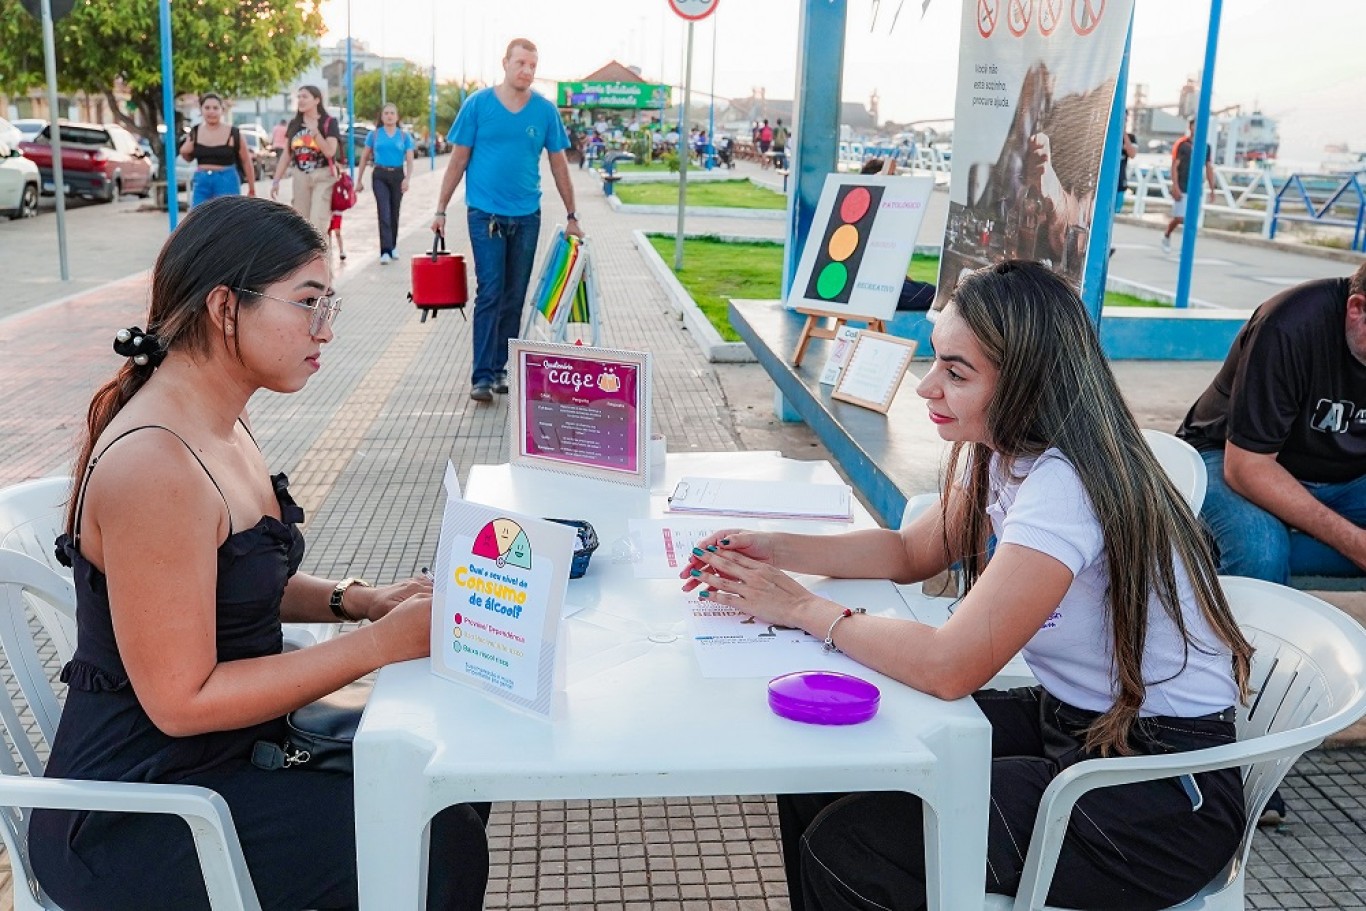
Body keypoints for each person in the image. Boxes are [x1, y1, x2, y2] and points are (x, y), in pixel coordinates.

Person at [682, 261, 1254, 911]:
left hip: (1154, 795)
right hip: (1077, 723)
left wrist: (806, 608)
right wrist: (775, 546)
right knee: (824, 761)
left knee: (850, 847)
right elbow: (909, 550)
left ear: (1029, 385)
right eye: (935, 361)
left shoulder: (1067, 484)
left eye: (956, 372)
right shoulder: (1004, 451)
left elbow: (950, 666)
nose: (926, 386)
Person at [27, 196, 490, 911]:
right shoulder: (156, 464)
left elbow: (229, 578)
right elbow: (182, 701)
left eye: (328, 302)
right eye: (308, 303)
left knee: (450, 771)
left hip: (228, 755)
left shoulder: (216, 420)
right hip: (139, 809)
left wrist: (355, 600)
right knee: (436, 836)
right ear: (224, 306)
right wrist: (377, 645)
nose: (326, 329)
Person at [1177, 263, 1366, 585]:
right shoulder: (1289, 324)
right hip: (1227, 455)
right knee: (1260, 553)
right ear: (1357, 309)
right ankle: (1237, 631)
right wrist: (1355, 543)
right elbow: (1246, 468)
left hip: (1345, 474)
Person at [431, 38, 582, 404]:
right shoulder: (478, 105)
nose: (527, 71)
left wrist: (572, 214)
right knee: (491, 291)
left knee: (515, 297)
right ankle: (482, 376)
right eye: (521, 63)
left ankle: (501, 370)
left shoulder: (545, 111)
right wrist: (440, 209)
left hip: (527, 215)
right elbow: (458, 160)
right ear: (505, 63)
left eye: (533, 65)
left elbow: (559, 165)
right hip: (485, 214)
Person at [270, 85, 341, 241]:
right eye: (299, 97)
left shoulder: (328, 122)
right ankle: (305, 262)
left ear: (317, 100)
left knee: (318, 223)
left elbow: (330, 151)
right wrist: (276, 180)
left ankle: (323, 262)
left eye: (305, 97)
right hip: (300, 175)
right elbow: (287, 155)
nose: (301, 100)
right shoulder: (295, 124)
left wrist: (315, 132)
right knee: (302, 223)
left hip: (322, 175)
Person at [355, 102, 415, 264]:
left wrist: (407, 178)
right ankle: (385, 250)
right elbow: (364, 157)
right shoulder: (374, 135)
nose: (389, 116)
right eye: (386, 113)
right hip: (380, 175)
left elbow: (409, 159)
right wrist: (358, 180)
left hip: (397, 175)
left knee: (394, 212)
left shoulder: (404, 136)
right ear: (381, 117)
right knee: (384, 212)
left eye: (392, 113)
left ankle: (393, 245)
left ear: (397, 117)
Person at [179, 93, 255, 207]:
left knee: (228, 217)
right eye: (207, 108)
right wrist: (184, 151)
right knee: (198, 218)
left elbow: (246, 161)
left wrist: (252, 188)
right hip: (202, 180)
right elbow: (188, 158)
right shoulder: (195, 132)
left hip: (227, 179)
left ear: (222, 110)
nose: (211, 112)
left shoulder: (234, 133)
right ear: (201, 110)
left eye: (215, 108)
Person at [1162, 119, 1216, 253]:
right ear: (1190, 127)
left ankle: (1185, 248)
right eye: (1194, 126)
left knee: (1191, 221)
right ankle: (1167, 235)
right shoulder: (1182, 144)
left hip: (1197, 188)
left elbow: (1208, 167)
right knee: (1179, 218)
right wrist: (1175, 186)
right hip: (1182, 184)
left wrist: (1212, 189)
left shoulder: (1206, 147)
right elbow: (1175, 166)